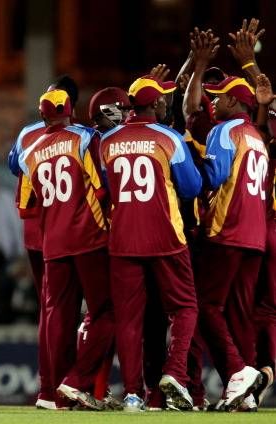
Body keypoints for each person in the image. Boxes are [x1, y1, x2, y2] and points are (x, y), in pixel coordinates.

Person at [100, 75, 201, 412]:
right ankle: (174, 374)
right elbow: (191, 187)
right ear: (156, 104)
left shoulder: (107, 141)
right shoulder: (168, 137)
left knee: (129, 320)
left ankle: (132, 394)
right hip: (166, 237)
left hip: (123, 238)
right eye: (163, 100)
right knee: (185, 308)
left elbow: (104, 189)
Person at [18, 89, 114, 410]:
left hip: (53, 243)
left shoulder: (29, 151)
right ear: (71, 111)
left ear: (42, 114)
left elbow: (25, 205)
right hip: (89, 237)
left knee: (58, 317)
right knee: (106, 311)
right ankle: (77, 380)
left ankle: (53, 395)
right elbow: (101, 187)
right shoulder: (85, 137)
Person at [195, 75, 266, 411]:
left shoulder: (224, 130)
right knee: (239, 315)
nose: (213, 101)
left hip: (227, 230)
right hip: (255, 236)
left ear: (235, 102)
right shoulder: (257, 138)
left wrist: (193, 158)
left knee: (205, 306)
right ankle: (245, 395)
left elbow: (215, 175)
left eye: (219, 97)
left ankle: (237, 373)